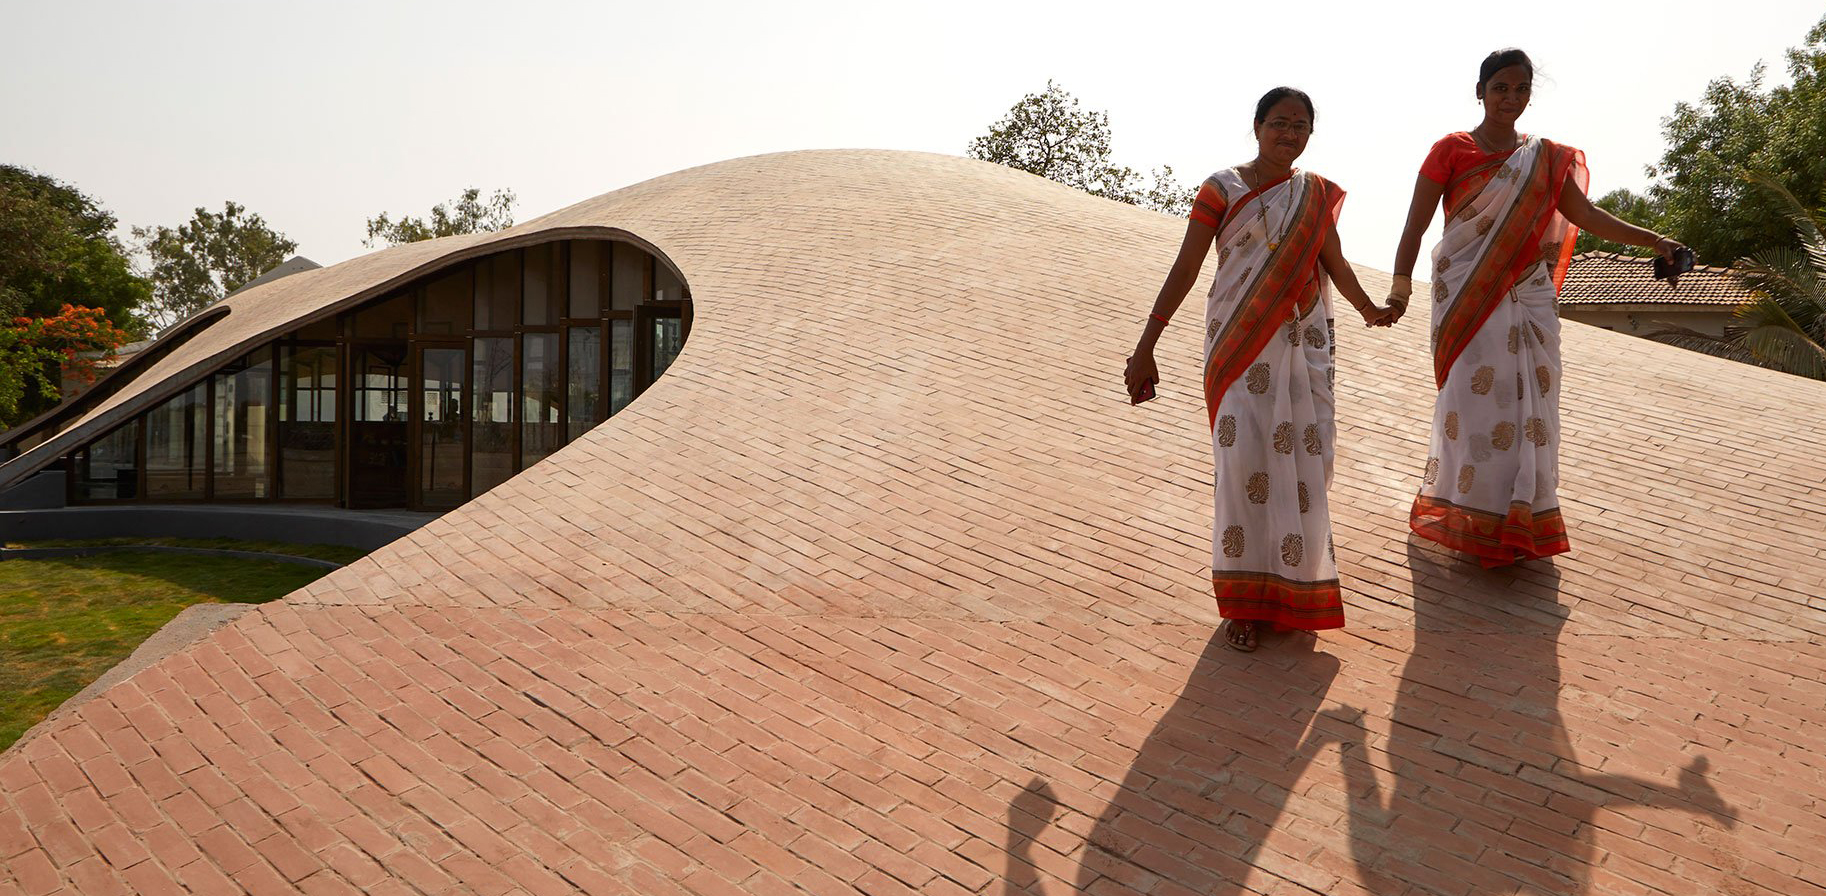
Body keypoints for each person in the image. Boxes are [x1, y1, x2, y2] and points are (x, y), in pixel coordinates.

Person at [1387, 49, 1689, 567]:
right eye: (1500, 87)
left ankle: (1521, 517)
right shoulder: (1451, 149)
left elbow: (1586, 213)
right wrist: (1399, 289)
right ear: (1479, 91)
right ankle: (1471, 515)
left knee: (1529, 410)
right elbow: (1415, 224)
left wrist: (1653, 238)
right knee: (1477, 406)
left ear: (1529, 94)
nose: (1510, 98)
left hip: (1528, 295)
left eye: (1520, 89)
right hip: (1467, 293)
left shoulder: (1545, 158)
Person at [1125, 87, 1400, 652]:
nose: (1289, 134)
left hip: (1302, 350)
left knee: (1306, 466)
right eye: (1279, 123)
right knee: (1243, 468)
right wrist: (1147, 342)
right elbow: (1187, 265)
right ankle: (1243, 606)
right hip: (1238, 347)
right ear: (1256, 126)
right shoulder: (1221, 188)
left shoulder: (1314, 194)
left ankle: (1294, 592)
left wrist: (1369, 308)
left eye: (1300, 126)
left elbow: (1334, 261)